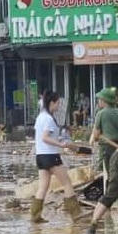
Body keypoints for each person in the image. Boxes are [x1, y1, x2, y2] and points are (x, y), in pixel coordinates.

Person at [29, 91, 81, 224]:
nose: (58, 106)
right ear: (51, 103)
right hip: (50, 155)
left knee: (43, 187)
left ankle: (35, 216)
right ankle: (76, 214)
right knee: (67, 183)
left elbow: (43, 136)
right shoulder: (48, 118)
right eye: (57, 103)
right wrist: (62, 144)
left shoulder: (40, 117)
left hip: (40, 156)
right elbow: (45, 137)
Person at [89, 89, 118, 176]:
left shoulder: (101, 114)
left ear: (104, 100)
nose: (98, 101)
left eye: (99, 99)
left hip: (106, 148)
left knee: (108, 173)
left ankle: (109, 189)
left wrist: (94, 139)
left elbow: (96, 135)